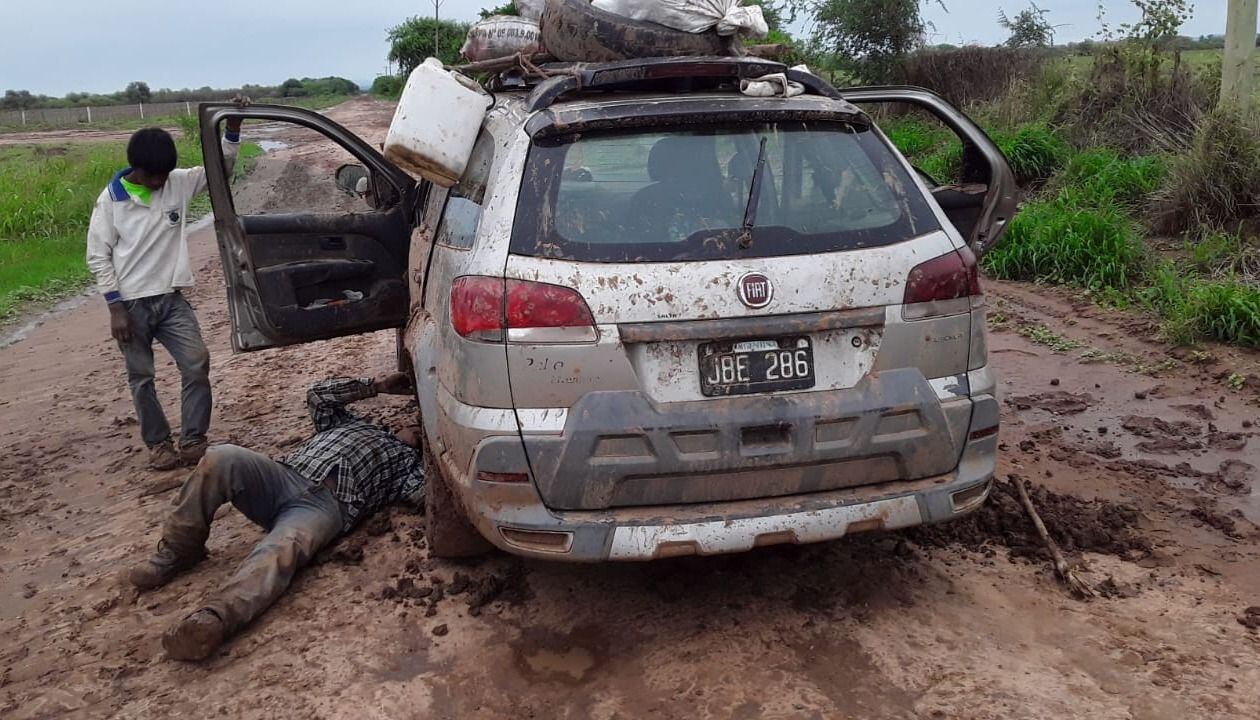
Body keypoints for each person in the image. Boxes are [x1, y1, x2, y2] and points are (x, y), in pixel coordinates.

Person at [127, 373, 426, 662]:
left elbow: (424, 495)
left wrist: (434, 455)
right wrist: (377, 385)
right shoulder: (352, 423)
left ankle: (215, 616)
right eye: (416, 423)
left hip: (327, 508)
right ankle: (179, 551)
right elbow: (318, 396)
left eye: (422, 431)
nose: (416, 428)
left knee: (282, 549)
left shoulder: (408, 466)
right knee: (221, 457)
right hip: (282, 477)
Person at [86, 100, 247, 470]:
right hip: (130, 305)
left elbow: (220, 170)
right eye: (154, 176)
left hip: (171, 300)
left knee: (196, 363)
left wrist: (233, 131)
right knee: (142, 378)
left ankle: (193, 441)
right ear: (136, 169)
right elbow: (98, 255)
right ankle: (158, 444)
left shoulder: (177, 183)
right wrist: (115, 308)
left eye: (164, 175)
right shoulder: (110, 202)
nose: (160, 183)